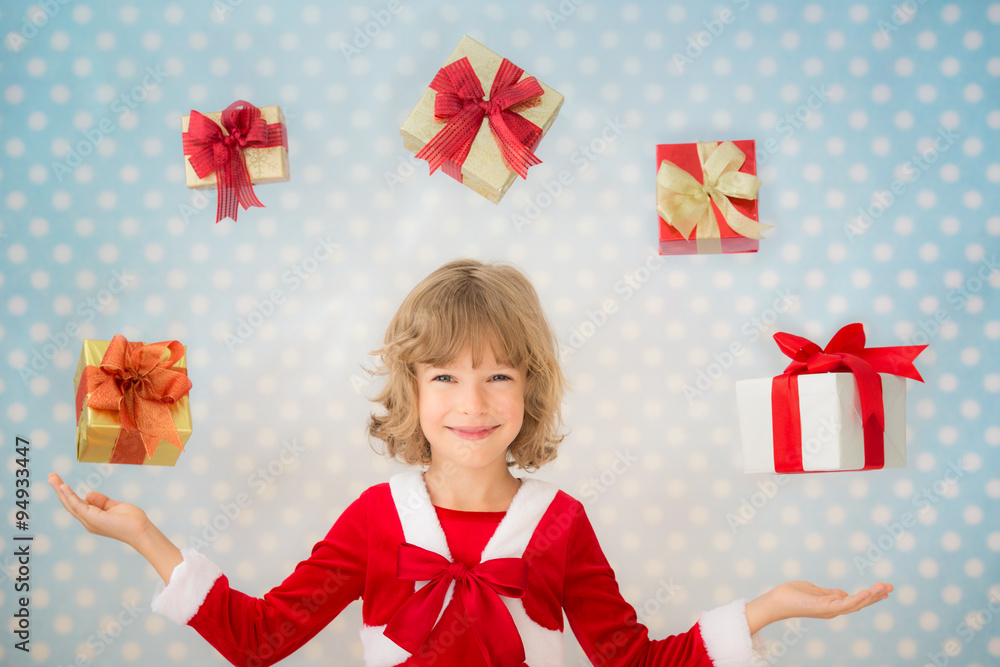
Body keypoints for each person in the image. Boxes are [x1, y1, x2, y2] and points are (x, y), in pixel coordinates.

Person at [50, 259, 891, 667]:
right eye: (445, 376)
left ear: (531, 387)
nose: (473, 402)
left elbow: (633, 660)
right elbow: (261, 636)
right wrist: (144, 535)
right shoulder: (377, 516)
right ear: (411, 390)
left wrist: (769, 607)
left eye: (499, 375)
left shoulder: (559, 523)